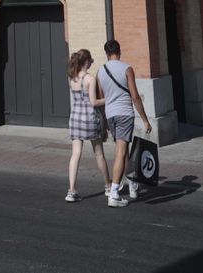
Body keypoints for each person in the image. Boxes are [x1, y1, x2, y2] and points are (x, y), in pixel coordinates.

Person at [98, 39, 152, 207]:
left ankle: (133, 185)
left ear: (106, 54)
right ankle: (114, 193)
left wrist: (105, 120)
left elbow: (102, 98)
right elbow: (135, 96)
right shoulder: (127, 69)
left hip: (111, 114)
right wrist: (145, 120)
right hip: (124, 113)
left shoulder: (100, 71)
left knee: (124, 150)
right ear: (119, 51)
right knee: (121, 152)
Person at [64, 49, 110, 203]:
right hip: (90, 119)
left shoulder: (71, 77)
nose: (92, 62)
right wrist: (109, 98)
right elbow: (94, 102)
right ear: (86, 62)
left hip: (75, 118)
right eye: (90, 60)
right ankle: (108, 186)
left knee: (75, 154)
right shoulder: (90, 79)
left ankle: (71, 190)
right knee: (99, 154)